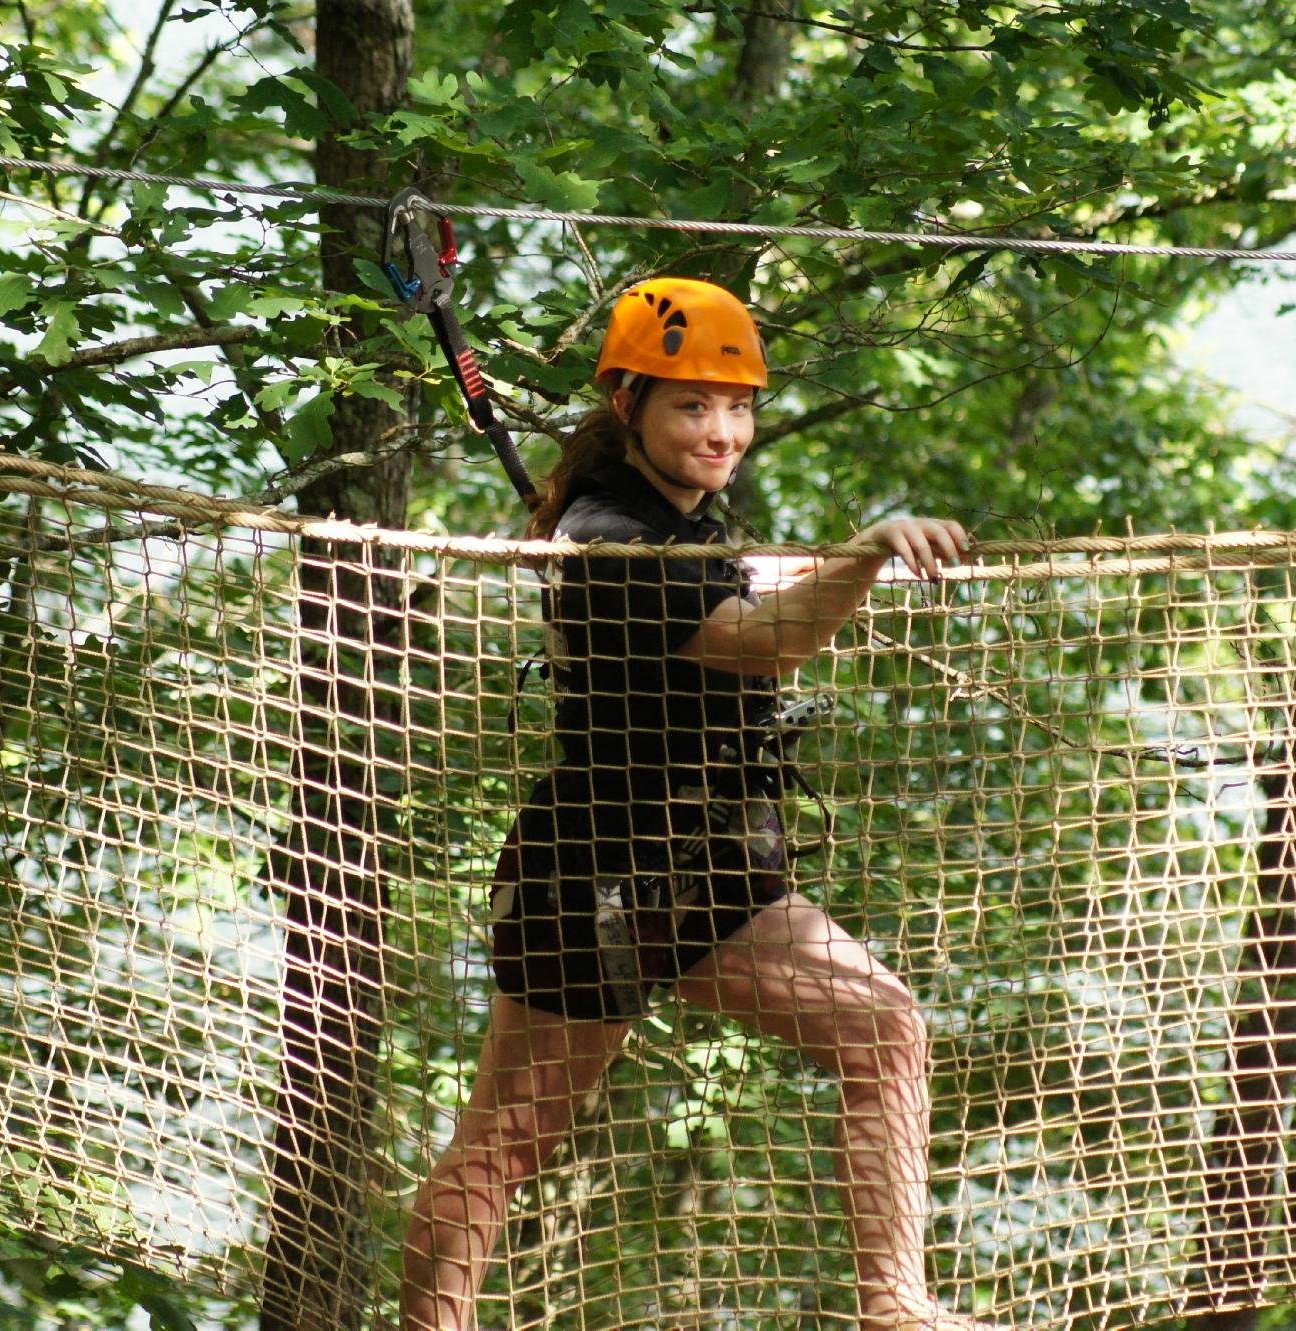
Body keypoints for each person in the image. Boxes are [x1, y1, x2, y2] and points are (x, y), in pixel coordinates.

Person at [401, 278, 985, 1331]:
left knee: (885, 1032)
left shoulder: (680, 520)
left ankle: (894, 1305)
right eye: (691, 406)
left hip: (714, 864)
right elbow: (762, 638)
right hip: (595, 875)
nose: (722, 431)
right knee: (509, 1137)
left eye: (738, 406)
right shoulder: (609, 537)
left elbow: (746, 584)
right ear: (629, 405)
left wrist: (845, 559)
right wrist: (863, 551)